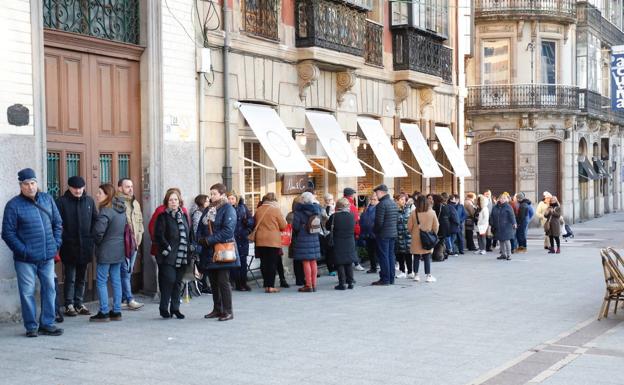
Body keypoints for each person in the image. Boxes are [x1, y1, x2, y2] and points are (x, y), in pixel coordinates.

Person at [2, 168, 63, 337]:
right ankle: (31, 326)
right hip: (25, 259)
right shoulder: (13, 205)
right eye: (26, 184)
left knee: (49, 289)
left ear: (37, 183)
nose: (30, 187)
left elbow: (58, 223)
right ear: (21, 186)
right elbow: (7, 233)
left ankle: (47, 323)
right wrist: (23, 250)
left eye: (33, 183)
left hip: (47, 256)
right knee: (27, 291)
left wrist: (56, 243)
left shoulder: (47, 199)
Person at [56, 176, 97, 317]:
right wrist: (63, 238)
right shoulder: (61, 202)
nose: (78, 191)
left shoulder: (89, 201)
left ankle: (79, 303)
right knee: (70, 277)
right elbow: (56, 224)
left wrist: (91, 237)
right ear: (69, 187)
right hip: (69, 246)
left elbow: (95, 220)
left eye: (81, 188)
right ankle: (69, 304)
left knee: (81, 277)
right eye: (75, 188)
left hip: (85, 246)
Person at [197, 183, 239, 321]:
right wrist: (199, 239)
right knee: (214, 281)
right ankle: (217, 309)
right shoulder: (209, 209)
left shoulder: (228, 209)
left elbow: (228, 231)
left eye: (214, 193)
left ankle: (228, 311)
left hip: (222, 250)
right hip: (210, 252)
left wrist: (209, 240)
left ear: (222, 194)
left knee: (223, 281)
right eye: (211, 193)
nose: (211, 196)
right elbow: (200, 227)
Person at [153, 189, 191, 319]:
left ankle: (175, 308)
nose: (173, 202)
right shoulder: (163, 217)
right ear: (167, 202)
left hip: (182, 255)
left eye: (175, 200)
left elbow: (188, 233)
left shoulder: (184, 216)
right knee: (169, 280)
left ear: (179, 201)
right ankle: (164, 307)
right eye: (171, 200)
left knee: (178, 282)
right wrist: (167, 247)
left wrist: (191, 247)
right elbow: (158, 235)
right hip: (168, 255)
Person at [91, 183, 126, 322]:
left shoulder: (106, 210)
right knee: (116, 280)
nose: (97, 195)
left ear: (107, 195)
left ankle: (104, 311)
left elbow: (98, 232)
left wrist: (98, 243)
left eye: (100, 192)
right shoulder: (121, 209)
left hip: (106, 250)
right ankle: (117, 311)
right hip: (118, 250)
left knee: (101, 281)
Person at [116, 178, 144, 310]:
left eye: (131, 186)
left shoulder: (135, 203)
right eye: (127, 186)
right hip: (122, 245)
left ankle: (123, 299)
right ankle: (129, 299)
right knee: (125, 272)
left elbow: (140, 223)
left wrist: (139, 238)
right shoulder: (116, 203)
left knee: (128, 271)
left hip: (134, 245)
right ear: (120, 188)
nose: (131, 189)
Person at [253, 193, 287, 293]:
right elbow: (283, 226)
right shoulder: (275, 210)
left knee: (264, 263)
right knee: (272, 263)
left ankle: (266, 284)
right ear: (274, 201)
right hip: (272, 240)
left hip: (260, 239)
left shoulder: (258, 210)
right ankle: (270, 286)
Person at [292, 192, 322, 292]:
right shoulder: (317, 209)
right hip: (314, 237)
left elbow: (295, 226)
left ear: (303, 199)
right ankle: (314, 285)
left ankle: (308, 285)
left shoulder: (298, 211)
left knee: (305, 261)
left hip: (303, 237)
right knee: (313, 261)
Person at [408, 195, 439, 283]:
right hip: (427, 237)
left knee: (416, 256)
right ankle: (428, 275)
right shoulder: (432, 212)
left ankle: (416, 275)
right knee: (427, 257)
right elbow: (436, 226)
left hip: (416, 238)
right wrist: (433, 234)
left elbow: (409, 226)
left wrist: (413, 233)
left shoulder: (414, 212)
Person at [326, 198, 356, 290]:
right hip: (350, 241)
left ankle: (342, 284)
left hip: (338, 241)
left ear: (338, 206)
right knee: (349, 262)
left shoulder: (334, 216)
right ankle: (350, 283)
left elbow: (328, 227)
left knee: (340, 263)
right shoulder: (351, 216)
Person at [371, 184, 399, 286]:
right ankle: (391, 278)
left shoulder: (381, 205)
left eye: (377, 193)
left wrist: (375, 231)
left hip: (383, 234)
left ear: (381, 192)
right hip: (392, 233)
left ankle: (385, 279)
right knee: (391, 256)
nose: (376, 195)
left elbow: (379, 222)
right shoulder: (393, 203)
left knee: (383, 256)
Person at [228, 192, 254, 291]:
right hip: (232, 238)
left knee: (243, 261)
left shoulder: (243, 207)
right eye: (229, 198)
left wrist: (247, 225)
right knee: (233, 261)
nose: (231, 201)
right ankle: (237, 283)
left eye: (232, 199)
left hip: (242, 238)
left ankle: (244, 282)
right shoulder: (226, 209)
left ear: (236, 199)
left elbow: (251, 220)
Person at [190, 194, 210, 294]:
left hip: (204, 242)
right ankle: (203, 285)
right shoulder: (198, 213)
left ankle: (204, 285)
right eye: (206, 201)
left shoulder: (205, 212)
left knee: (205, 264)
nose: (208, 203)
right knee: (201, 265)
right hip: (200, 243)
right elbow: (196, 229)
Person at [489, 192, 517, 261]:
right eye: (501, 198)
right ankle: (503, 254)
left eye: (504, 198)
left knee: (507, 241)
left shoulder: (508, 206)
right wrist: (491, 223)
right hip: (498, 226)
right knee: (501, 241)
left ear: (506, 199)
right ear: (499, 199)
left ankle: (509, 255)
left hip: (506, 226)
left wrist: (514, 223)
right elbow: (492, 215)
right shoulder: (495, 207)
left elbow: (512, 215)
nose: (502, 199)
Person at [342, 187, 364, 271]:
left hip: (343, 231)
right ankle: (356, 263)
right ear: (351, 195)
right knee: (353, 248)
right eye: (354, 194)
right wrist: (358, 232)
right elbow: (356, 222)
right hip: (352, 231)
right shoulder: (351, 206)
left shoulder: (340, 203)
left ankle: (351, 264)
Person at [395, 193, 413, 278]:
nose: (403, 201)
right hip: (398, 235)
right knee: (400, 254)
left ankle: (410, 271)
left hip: (408, 234)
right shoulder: (394, 210)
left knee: (408, 253)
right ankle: (402, 271)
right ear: (397, 201)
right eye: (401, 199)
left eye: (404, 199)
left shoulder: (409, 209)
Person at [359, 194, 378, 273]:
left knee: (377, 251)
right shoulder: (366, 208)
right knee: (370, 252)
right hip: (367, 233)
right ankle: (373, 267)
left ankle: (377, 266)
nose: (372, 201)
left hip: (375, 233)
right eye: (371, 199)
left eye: (374, 199)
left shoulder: (379, 208)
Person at [320, 193, 337, 276]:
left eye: (330, 200)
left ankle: (336, 267)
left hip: (336, 232)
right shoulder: (322, 209)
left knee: (335, 251)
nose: (328, 201)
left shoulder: (336, 208)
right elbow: (323, 220)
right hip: (326, 233)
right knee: (329, 252)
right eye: (326, 200)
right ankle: (331, 269)